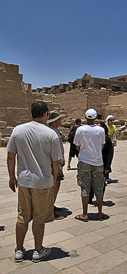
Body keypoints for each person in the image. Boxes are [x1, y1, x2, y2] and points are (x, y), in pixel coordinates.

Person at [6, 101, 62, 263]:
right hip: (43, 182)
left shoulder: (18, 130)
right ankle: (38, 250)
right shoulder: (51, 134)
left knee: (22, 216)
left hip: (24, 181)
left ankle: (19, 250)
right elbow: (55, 162)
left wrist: (12, 177)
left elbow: (11, 156)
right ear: (45, 114)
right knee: (39, 218)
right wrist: (53, 178)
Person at [74, 108, 106, 222]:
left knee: (85, 187)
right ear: (96, 118)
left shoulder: (80, 130)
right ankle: (100, 213)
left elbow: (77, 146)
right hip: (98, 162)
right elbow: (102, 146)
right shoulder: (101, 130)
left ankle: (84, 213)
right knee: (99, 187)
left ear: (86, 118)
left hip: (84, 161)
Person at [88, 122, 114, 204]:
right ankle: (89, 197)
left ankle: (100, 199)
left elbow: (110, 154)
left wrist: (108, 167)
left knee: (102, 182)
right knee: (91, 181)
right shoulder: (93, 137)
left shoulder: (107, 139)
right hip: (93, 162)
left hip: (103, 164)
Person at [47, 110, 66, 220]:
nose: (60, 121)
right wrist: (59, 160)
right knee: (55, 184)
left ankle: (51, 205)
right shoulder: (53, 132)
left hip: (55, 160)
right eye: (59, 119)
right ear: (55, 121)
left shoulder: (52, 130)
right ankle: (49, 209)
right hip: (55, 162)